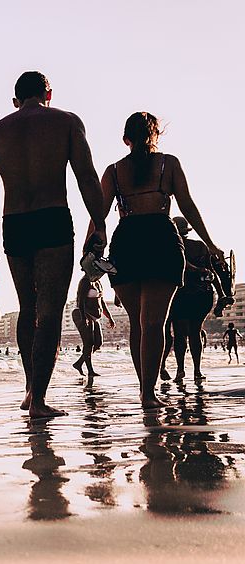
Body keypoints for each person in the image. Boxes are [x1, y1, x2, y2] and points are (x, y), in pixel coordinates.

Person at [0, 71, 106, 417]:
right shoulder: (67, 123)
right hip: (53, 218)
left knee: (27, 308)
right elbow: (87, 176)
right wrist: (100, 225)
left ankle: (31, 390)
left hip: (14, 222)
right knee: (49, 313)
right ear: (48, 93)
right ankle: (40, 401)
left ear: (15, 101)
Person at [100, 112, 224, 408]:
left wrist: (92, 248)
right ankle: (148, 395)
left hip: (126, 242)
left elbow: (99, 215)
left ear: (125, 139)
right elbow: (188, 206)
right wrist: (210, 243)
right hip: (161, 240)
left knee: (138, 324)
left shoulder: (114, 171)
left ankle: (146, 390)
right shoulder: (169, 164)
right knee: (154, 323)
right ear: (156, 135)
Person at [159, 216, 217, 382]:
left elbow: (182, 263)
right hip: (201, 294)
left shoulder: (172, 246)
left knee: (179, 334)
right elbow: (212, 272)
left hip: (180, 294)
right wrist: (222, 295)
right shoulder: (200, 246)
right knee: (195, 332)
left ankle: (180, 370)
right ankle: (197, 371)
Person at [72, 274, 115, 377]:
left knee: (98, 343)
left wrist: (110, 317)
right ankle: (90, 371)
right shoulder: (85, 281)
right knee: (89, 343)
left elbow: (102, 302)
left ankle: (78, 363)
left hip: (95, 316)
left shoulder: (98, 282)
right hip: (82, 313)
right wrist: (83, 317)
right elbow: (80, 300)